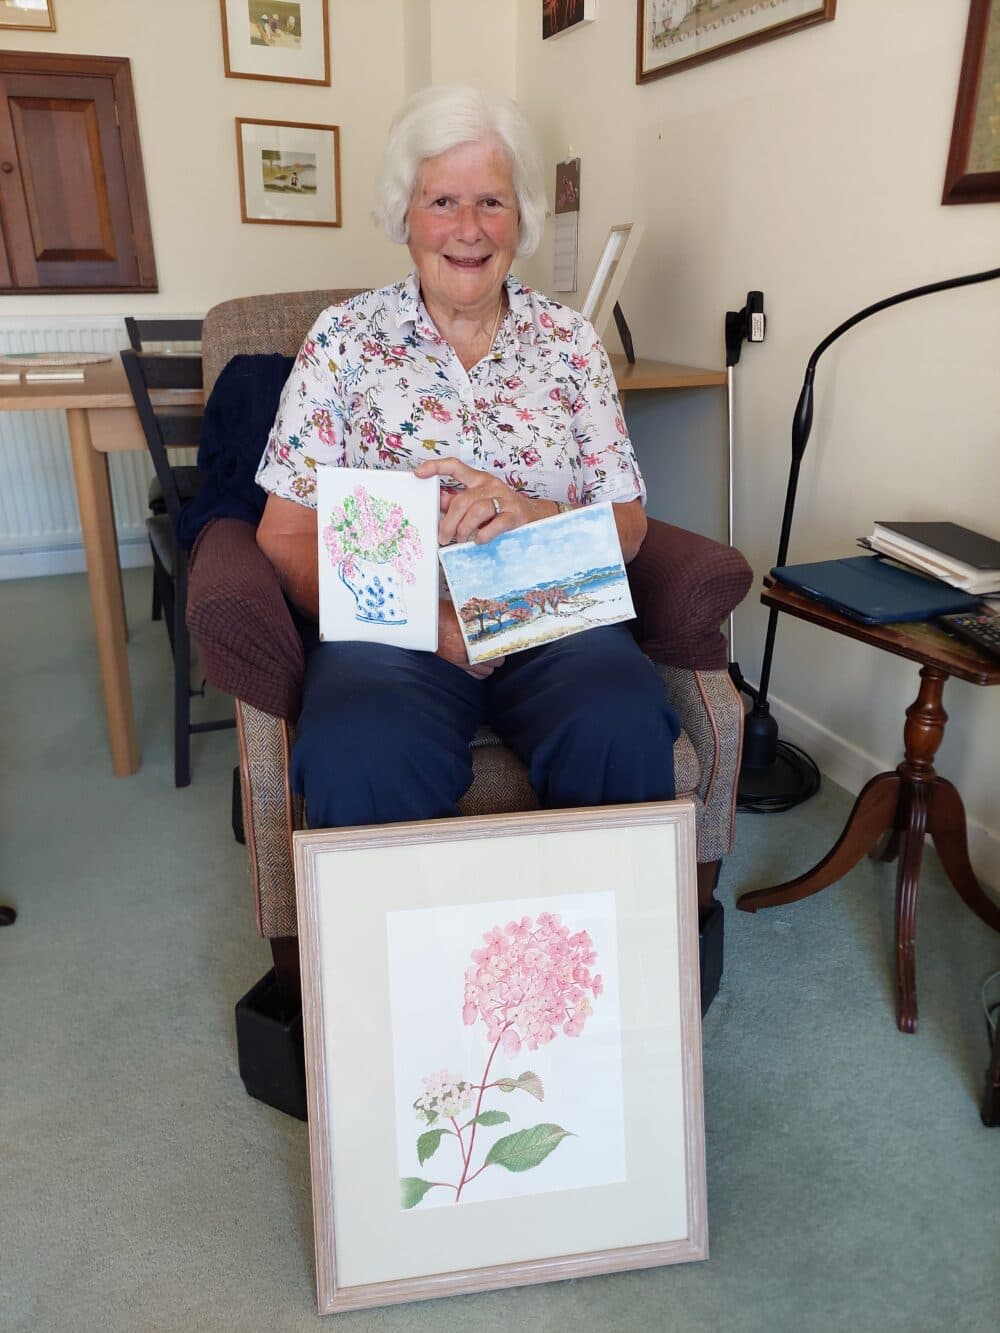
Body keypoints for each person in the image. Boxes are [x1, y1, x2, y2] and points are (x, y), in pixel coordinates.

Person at [255, 84, 679, 829]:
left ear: (521, 218)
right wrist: (431, 621)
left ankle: (589, 942)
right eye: (442, 201)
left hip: (549, 610)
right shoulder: (344, 339)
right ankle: (406, 946)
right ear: (405, 215)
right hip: (394, 628)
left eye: (491, 202)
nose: (469, 229)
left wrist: (534, 512)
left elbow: (630, 525)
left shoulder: (570, 343)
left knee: (622, 718)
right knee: (360, 748)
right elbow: (284, 533)